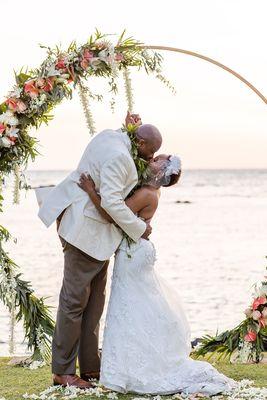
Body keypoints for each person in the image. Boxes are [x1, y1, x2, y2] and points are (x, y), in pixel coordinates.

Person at [78, 156, 236, 396]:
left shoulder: (147, 193)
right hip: (135, 250)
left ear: (161, 170)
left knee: (129, 308)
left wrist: (91, 191)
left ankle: (128, 369)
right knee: (135, 308)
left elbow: (113, 215)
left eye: (157, 159)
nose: (152, 159)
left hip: (133, 254)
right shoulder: (149, 190)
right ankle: (126, 367)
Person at [38, 112, 162, 389]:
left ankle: (91, 366)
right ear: (140, 143)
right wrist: (140, 228)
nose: (150, 158)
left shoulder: (110, 135)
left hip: (99, 238)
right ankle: (63, 371)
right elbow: (113, 204)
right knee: (73, 303)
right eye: (150, 152)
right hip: (86, 234)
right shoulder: (121, 157)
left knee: (94, 304)